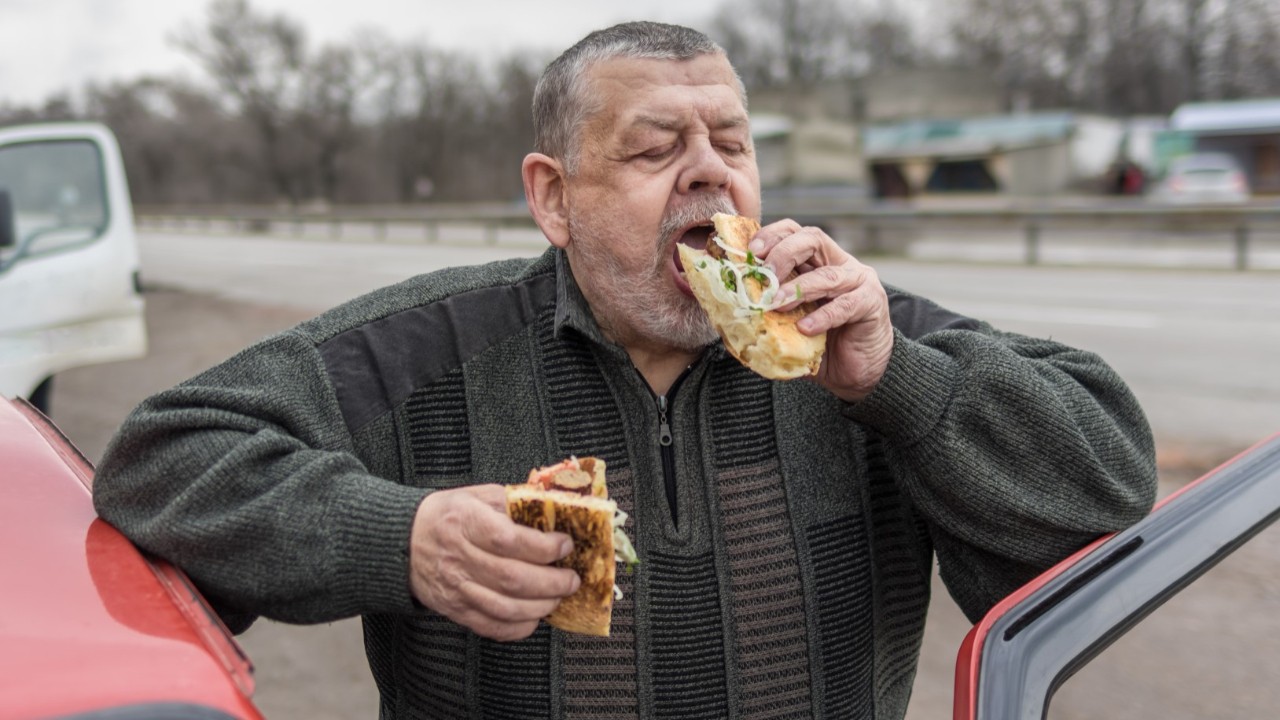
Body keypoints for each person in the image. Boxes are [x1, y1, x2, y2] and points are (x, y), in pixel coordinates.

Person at [93, 21, 1158, 720]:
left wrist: (901, 385)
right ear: (552, 197)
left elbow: (1104, 491)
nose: (709, 172)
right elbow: (160, 459)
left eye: (730, 145)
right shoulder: (427, 346)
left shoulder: (857, 340)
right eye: (655, 150)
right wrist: (399, 537)